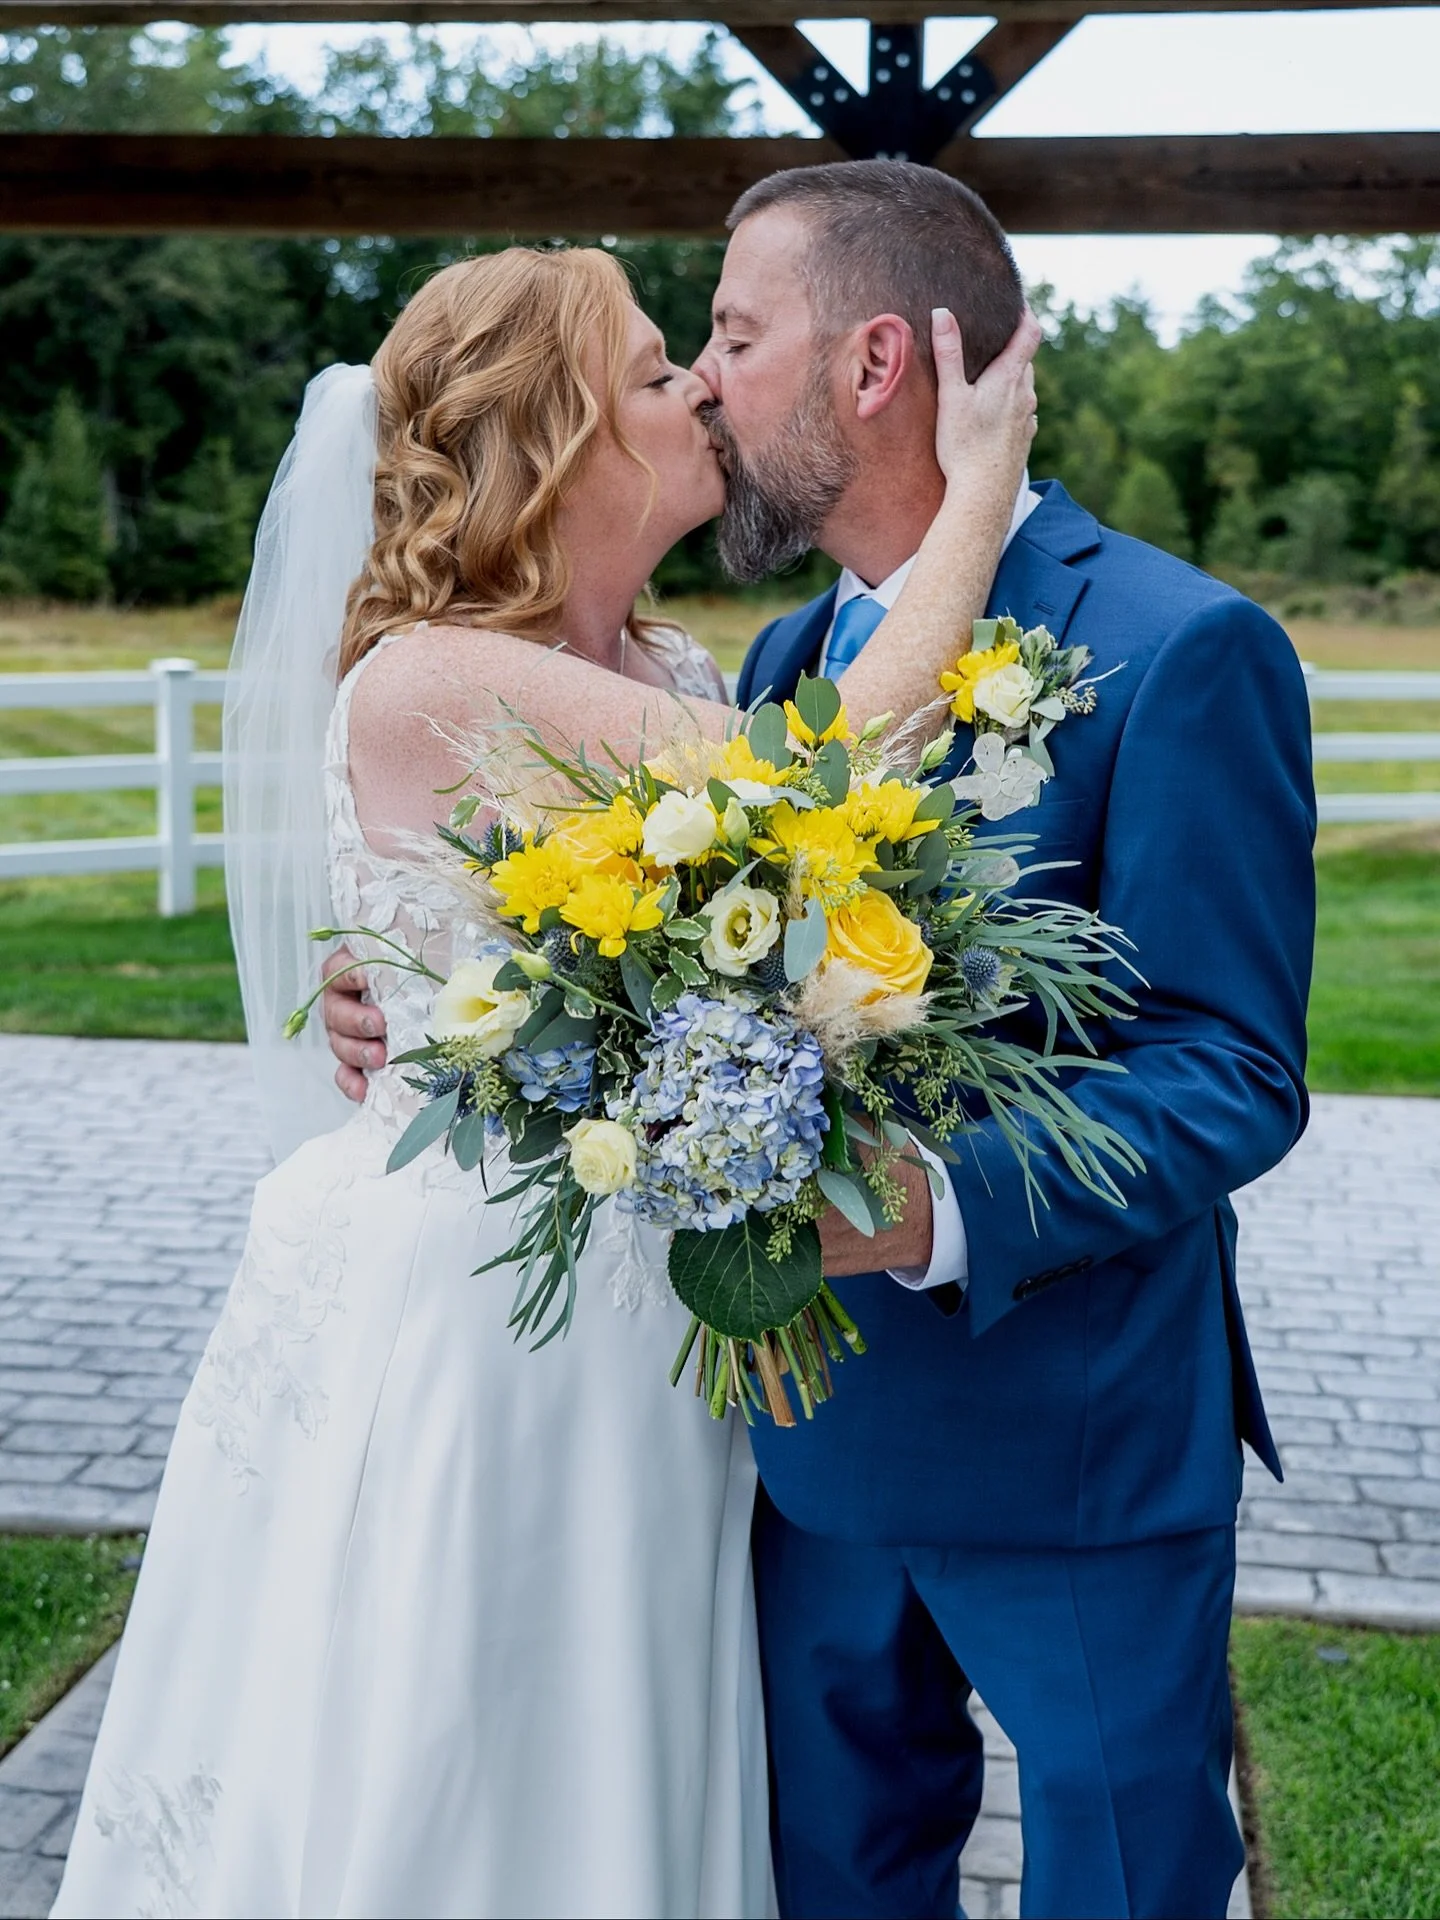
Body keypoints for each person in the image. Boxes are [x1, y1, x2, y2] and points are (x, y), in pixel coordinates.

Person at [326, 162, 1317, 1920]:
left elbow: (1227, 1066)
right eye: (684, 351)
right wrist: (420, 1007)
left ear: (875, 366)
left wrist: (934, 1204)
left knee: (1125, 1881)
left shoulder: (1180, 647)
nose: (703, 381)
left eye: (731, 333)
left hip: (1068, 1434)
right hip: (780, 1451)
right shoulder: (769, 666)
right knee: (834, 1879)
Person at [51, 244, 1038, 1920]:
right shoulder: (429, 677)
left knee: (626, 1722)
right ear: (562, 435)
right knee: (459, 1730)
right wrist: (986, 488)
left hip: (654, 1308)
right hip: (478, 1313)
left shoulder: (682, 670)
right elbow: (825, 777)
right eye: (660, 368)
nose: (700, 390)